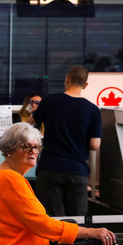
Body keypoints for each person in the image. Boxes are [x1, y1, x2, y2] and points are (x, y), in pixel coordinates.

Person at [32, 65, 102, 217]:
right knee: (76, 221)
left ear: (67, 80)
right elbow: (94, 145)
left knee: (48, 218)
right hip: (78, 171)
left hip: (50, 167)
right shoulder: (93, 110)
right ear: (86, 85)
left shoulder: (50, 101)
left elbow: (31, 122)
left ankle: (51, 242)